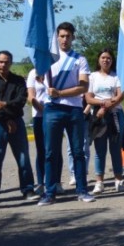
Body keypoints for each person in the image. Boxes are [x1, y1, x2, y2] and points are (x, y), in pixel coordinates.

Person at [39, 22, 94, 205]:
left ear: (73, 38)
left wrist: (61, 93)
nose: (64, 39)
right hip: (52, 109)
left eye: (68, 36)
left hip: (74, 109)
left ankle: (82, 190)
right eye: (61, 36)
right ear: (56, 37)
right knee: (50, 152)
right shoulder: (47, 59)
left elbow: (83, 86)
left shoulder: (80, 60)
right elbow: (39, 78)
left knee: (78, 152)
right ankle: (50, 192)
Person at [0, 51, 37, 203]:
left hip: (17, 122)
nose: (4, 64)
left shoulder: (18, 80)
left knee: (23, 158)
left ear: (11, 63)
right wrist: (6, 115)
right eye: (1, 61)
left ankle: (28, 189)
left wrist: (6, 106)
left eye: (7, 62)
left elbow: (21, 100)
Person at [85, 48, 124, 194]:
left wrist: (109, 104)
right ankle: (99, 182)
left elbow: (120, 96)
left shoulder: (116, 76)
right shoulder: (92, 77)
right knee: (99, 150)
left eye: (108, 58)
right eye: (103, 57)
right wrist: (103, 105)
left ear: (112, 60)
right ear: (98, 60)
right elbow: (89, 98)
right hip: (98, 116)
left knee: (115, 149)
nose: (106, 60)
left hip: (115, 115)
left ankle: (118, 180)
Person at [27, 68, 60, 196]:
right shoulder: (33, 73)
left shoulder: (55, 70)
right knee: (41, 150)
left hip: (55, 115)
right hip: (39, 116)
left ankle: (56, 182)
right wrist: (43, 110)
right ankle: (41, 183)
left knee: (55, 150)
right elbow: (31, 96)